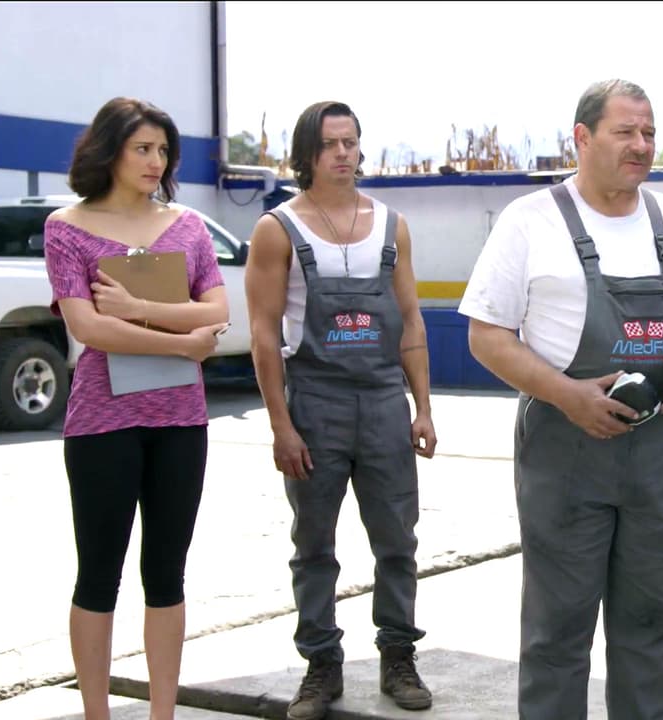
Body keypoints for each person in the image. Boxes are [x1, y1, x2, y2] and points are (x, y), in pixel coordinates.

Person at [460, 79, 663, 719]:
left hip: (659, 454)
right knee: (558, 630)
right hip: (566, 453)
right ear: (581, 138)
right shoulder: (532, 221)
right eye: (625, 132)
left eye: (649, 133)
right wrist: (567, 395)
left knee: (651, 622)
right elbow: (485, 335)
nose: (641, 146)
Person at [244, 100, 437, 719]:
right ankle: (321, 665)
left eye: (352, 142)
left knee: (397, 540)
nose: (344, 154)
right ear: (308, 153)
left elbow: (410, 322)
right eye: (331, 144)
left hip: (383, 400)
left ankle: (398, 657)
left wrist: (422, 407)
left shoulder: (391, 225)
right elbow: (264, 334)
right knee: (314, 545)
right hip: (316, 403)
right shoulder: (278, 228)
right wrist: (281, 423)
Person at [43, 96, 229, 720]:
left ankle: (162, 713)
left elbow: (218, 314)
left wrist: (138, 310)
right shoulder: (66, 227)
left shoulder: (189, 227)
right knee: (98, 575)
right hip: (102, 425)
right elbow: (89, 329)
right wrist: (182, 342)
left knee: (167, 576)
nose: (157, 161)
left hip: (181, 423)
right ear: (110, 151)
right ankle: (97, 713)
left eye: (163, 150)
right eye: (143, 149)